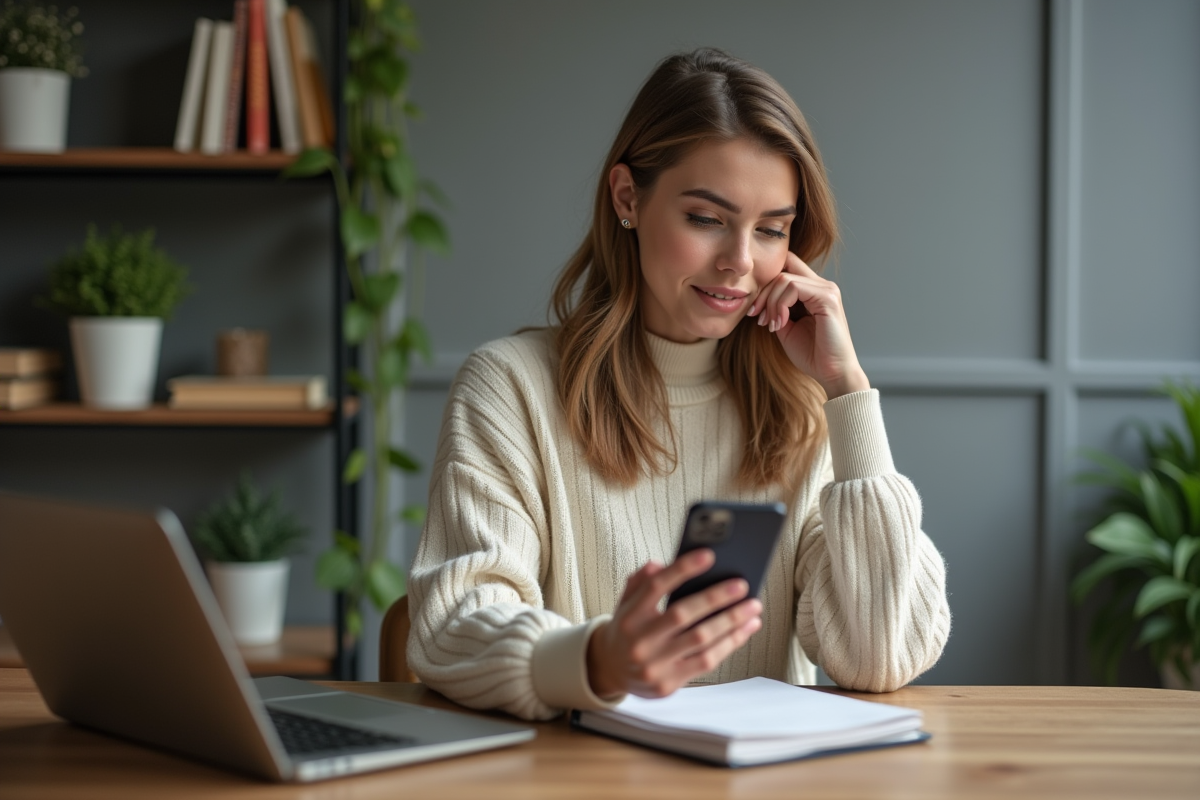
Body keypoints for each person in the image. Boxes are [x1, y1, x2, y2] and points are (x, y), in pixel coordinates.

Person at [406, 47, 951, 721]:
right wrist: (598, 660)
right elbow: (450, 625)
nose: (740, 263)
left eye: (772, 230)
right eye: (706, 219)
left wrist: (847, 391)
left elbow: (880, 658)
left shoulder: (806, 409)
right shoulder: (510, 389)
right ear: (627, 198)